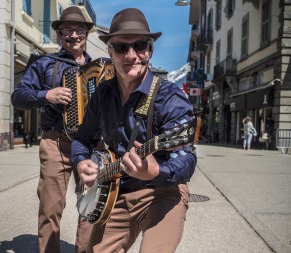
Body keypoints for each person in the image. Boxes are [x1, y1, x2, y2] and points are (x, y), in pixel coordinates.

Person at [71, 8, 197, 252]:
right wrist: (80, 162)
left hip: (162, 192)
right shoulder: (103, 94)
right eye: (121, 47)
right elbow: (83, 139)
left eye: (140, 46)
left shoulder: (169, 97)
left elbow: (188, 158)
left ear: (150, 50)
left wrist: (156, 171)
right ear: (110, 52)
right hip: (115, 193)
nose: (131, 55)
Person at [11, 6, 95, 253]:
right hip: (56, 142)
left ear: (86, 34)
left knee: (91, 206)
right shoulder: (45, 62)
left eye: (79, 30)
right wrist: (46, 94)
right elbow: (18, 96)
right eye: (67, 30)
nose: (74, 35)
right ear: (59, 34)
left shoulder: (100, 68)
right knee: (50, 207)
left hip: (91, 144)